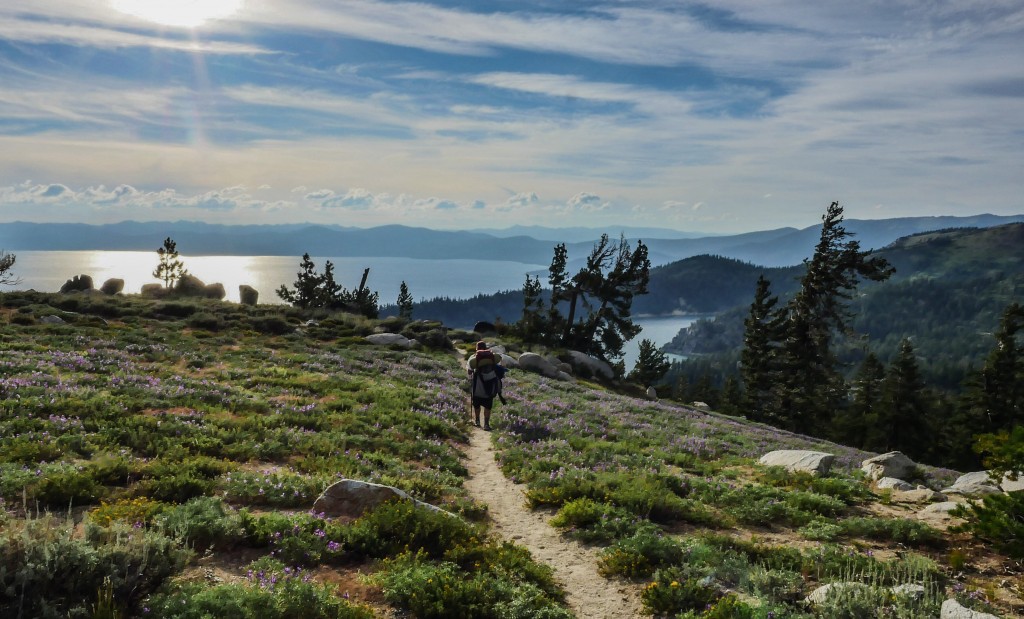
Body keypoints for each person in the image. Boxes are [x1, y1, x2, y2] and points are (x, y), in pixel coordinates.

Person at [467, 341, 502, 430]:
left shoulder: (473, 358)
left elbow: (469, 371)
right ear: (485, 348)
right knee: (488, 405)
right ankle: (486, 424)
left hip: (478, 385)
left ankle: (477, 421)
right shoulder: (492, 357)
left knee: (477, 404)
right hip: (490, 384)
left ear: (477, 348)